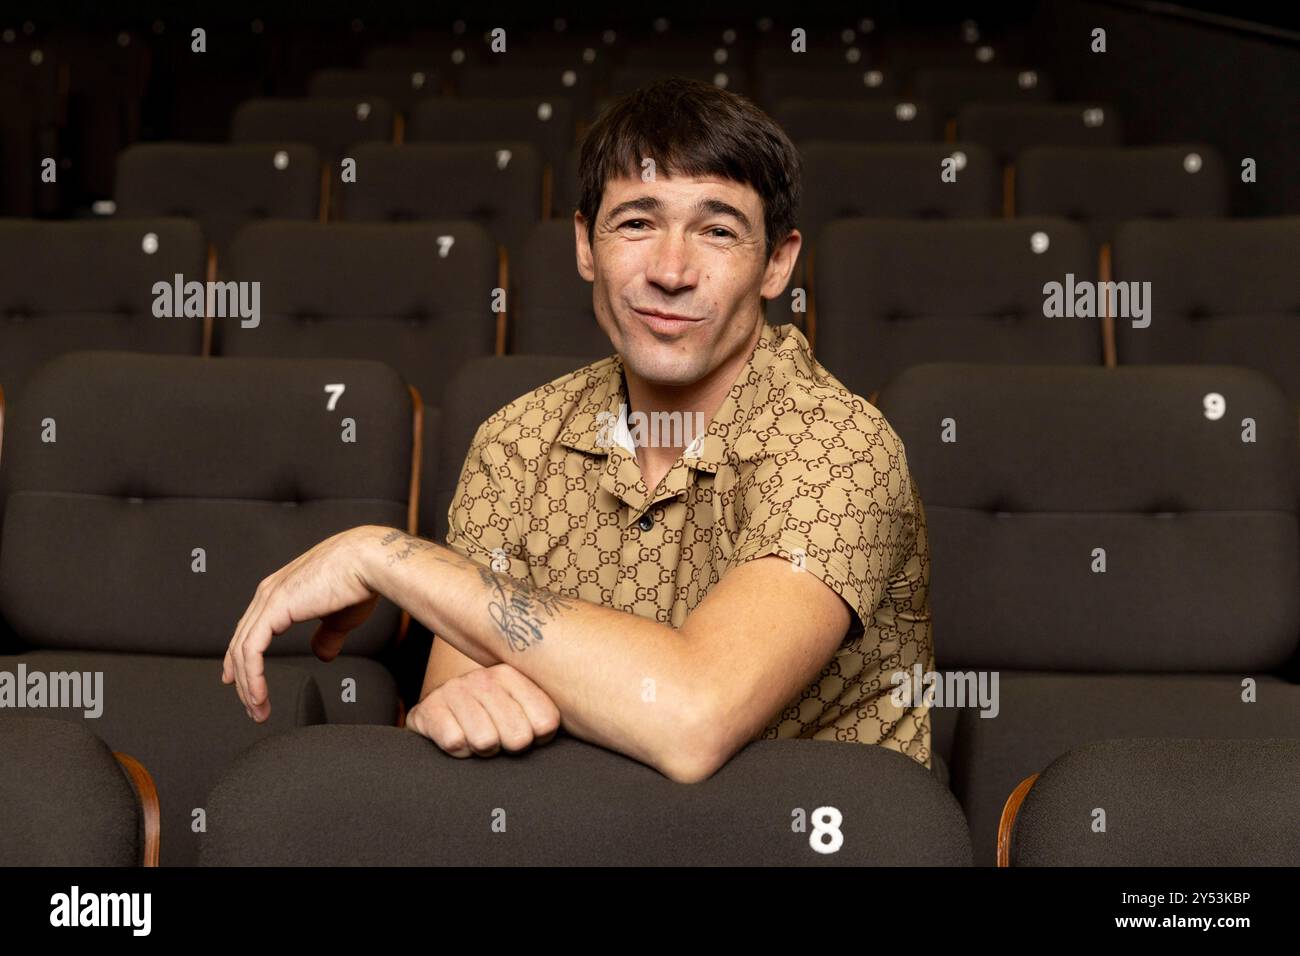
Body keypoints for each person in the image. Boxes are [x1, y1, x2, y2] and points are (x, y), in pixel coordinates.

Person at [222, 77, 934, 784]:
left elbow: (692, 718)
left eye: (717, 231)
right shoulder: (516, 439)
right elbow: (456, 690)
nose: (671, 270)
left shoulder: (842, 448)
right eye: (636, 223)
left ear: (777, 262)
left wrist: (384, 555)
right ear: (585, 245)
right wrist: (458, 707)